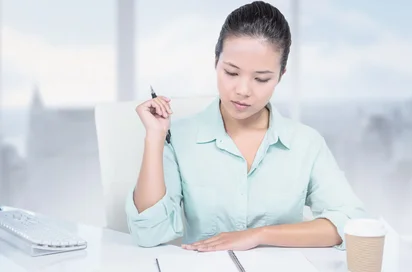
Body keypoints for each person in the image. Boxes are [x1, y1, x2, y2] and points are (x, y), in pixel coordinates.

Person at [126, 1, 366, 251]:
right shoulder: (178, 138)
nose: (243, 90)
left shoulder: (306, 143)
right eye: (231, 73)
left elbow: (352, 223)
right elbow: (148, 233)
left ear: (280, 76)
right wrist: (154, 138)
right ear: (216, 62)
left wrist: (259, 235)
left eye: (261, 79)